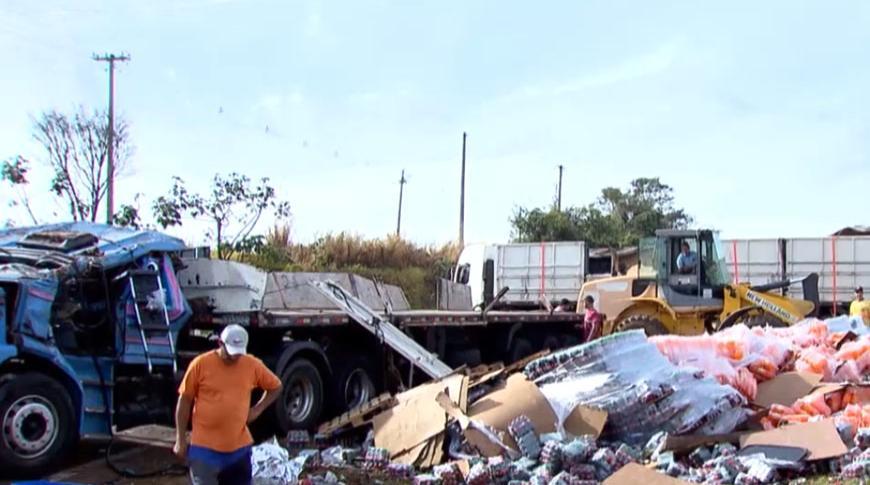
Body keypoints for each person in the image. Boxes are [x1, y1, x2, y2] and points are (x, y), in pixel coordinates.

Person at [174, 324, 283, 485]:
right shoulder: (201, 364)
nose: (234, 358)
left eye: (238, 353)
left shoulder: (251, 364)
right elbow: (184, 401)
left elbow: (275, 386)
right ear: (220, 343)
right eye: (230, 352)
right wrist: (180, 439)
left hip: (238, 451)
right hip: (205, 450)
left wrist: (256, 410)